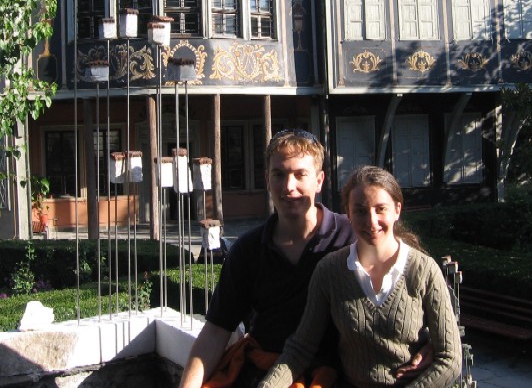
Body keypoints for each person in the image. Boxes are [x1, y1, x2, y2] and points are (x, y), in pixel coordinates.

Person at [178, 130, 431, 388]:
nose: (289, 186)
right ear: (267, 180)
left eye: (300, 175)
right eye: (279, 174)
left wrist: (432, 342)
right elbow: (216, 331)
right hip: (265, 371)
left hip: (337, 375)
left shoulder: (352, 235)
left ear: (319, 181)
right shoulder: (249, 250)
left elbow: (416, 283)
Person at [258, 166, 462, 388]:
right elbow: (301, 348)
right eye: (360, 211)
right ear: (348, 213)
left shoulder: (424, 271)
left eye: (380, 209)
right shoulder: (330, 271)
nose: (371, 221)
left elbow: (450, 359)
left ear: (397, 210)